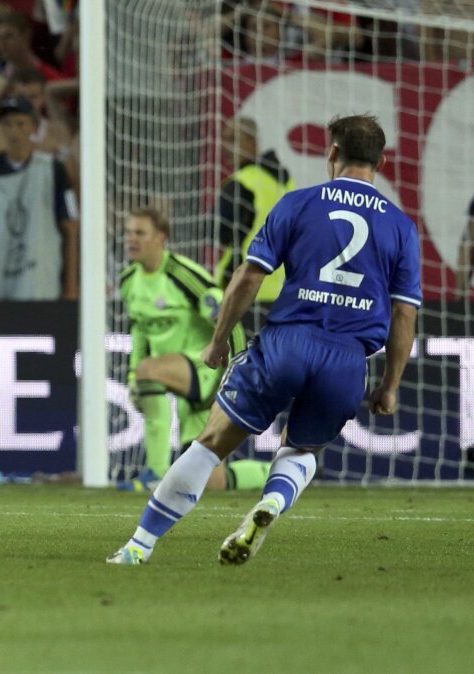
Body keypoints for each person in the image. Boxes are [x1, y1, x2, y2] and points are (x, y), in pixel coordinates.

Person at [107, 114, 422, 565]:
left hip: (287, 342)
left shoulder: (299, 203)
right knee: (301, 449)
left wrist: (218, 341)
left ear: (332, 153)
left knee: (212, 440)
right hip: (347, 358)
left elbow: (249, 276)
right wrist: (390, 385)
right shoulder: (401, 227)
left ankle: (139, 546)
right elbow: (404, 312)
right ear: (382, 160)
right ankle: (272, 502)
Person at [118, 207, 269, 492]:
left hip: (208, 372)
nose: (131, 239)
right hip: (179, 378)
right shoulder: (129, 281)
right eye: (128, 232)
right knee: (208, 482)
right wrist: (132, 376)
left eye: (140, 232)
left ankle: (155, 472)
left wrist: (237, 373)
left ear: (161, 238)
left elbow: (230, 320)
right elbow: (140, 332)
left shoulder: (182, 275)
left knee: (148, 371)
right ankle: (272, 472)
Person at [0, 96, 78, 301]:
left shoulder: (53, 171)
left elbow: (71, 229)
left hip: (44, 286)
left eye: (21, 124)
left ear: (33, 128)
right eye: (8, 124)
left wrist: (71, 286)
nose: (14, 131)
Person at [214, 116, 295, 307]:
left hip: (249, 290)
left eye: (233, 139)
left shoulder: (242, 182)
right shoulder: (287, 183)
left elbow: (220, 233)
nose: (226, 146)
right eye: (224, 139)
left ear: (252, 141)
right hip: (287, 291)